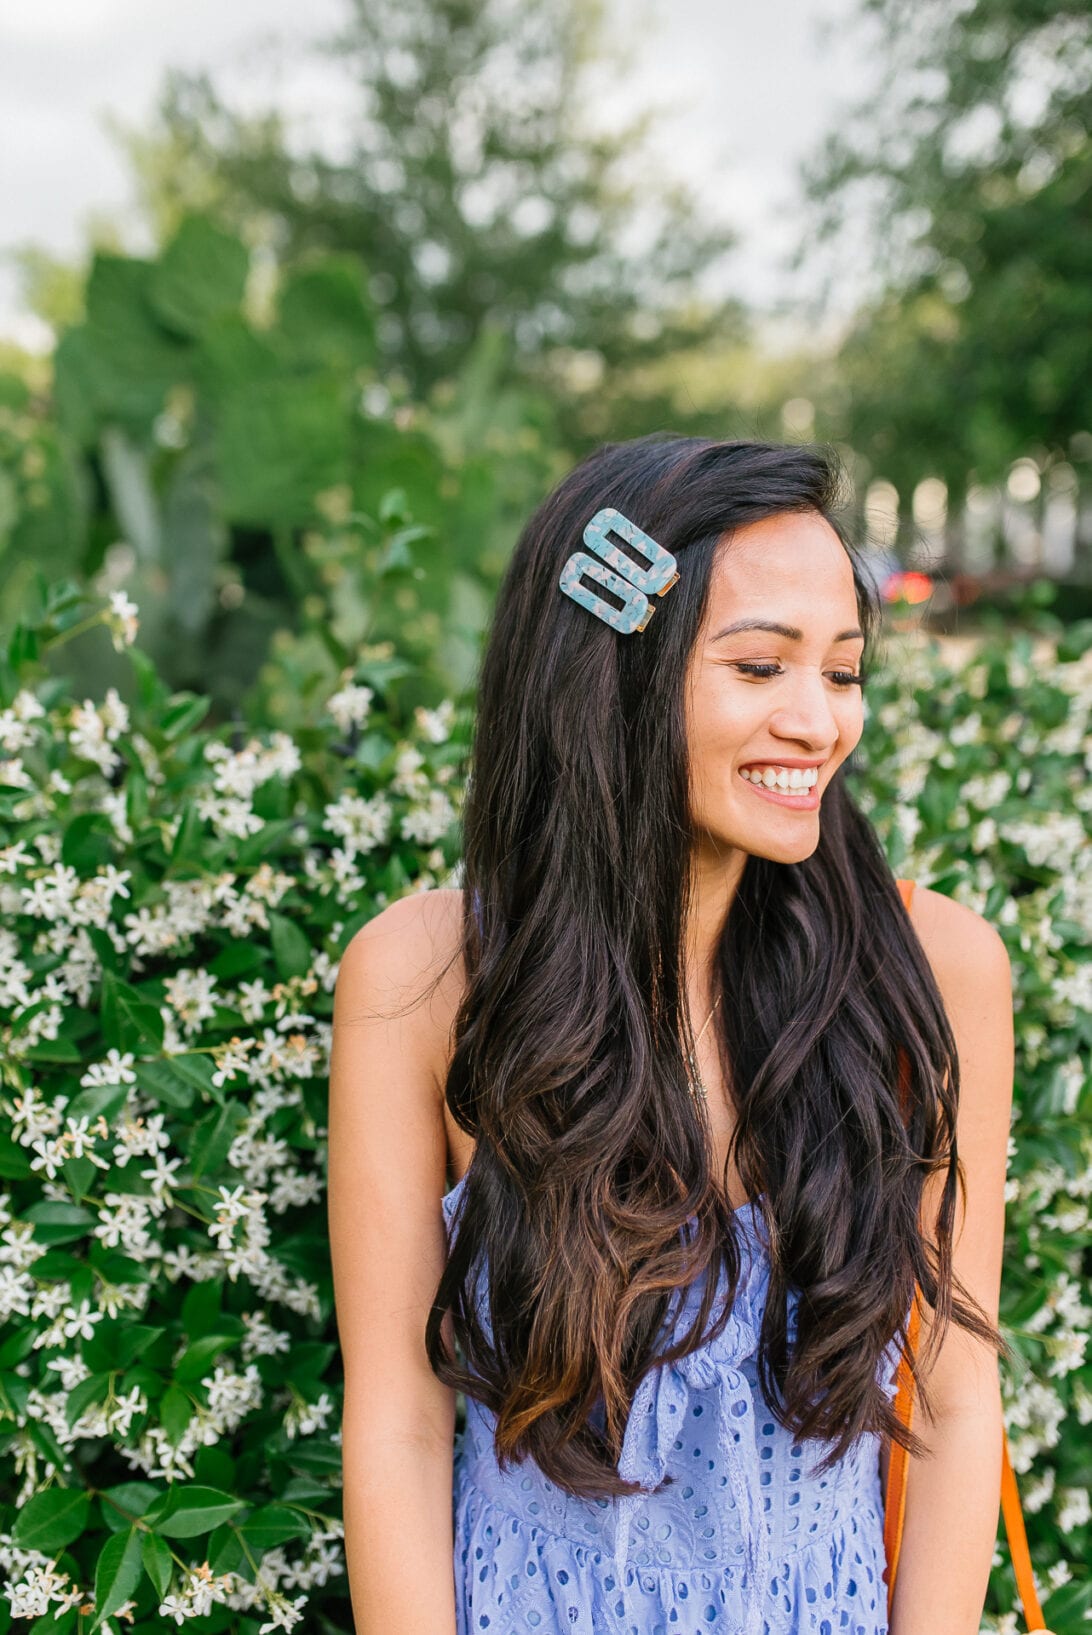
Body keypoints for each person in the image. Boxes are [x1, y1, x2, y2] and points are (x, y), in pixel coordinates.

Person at [328, 435, 1014, 1635]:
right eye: (760, 668)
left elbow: (956, 1409)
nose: (818, 723)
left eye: (843, 673)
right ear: (615, 675)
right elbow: (396, 1420)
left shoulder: (935, 970)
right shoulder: (425, 980)